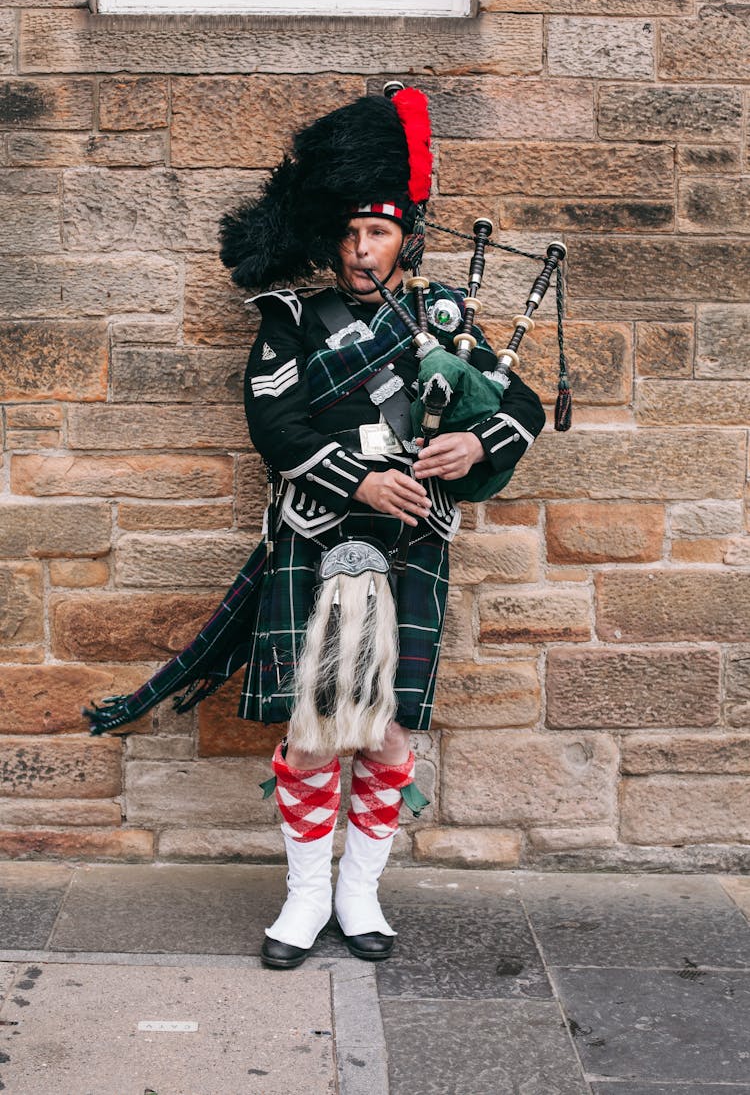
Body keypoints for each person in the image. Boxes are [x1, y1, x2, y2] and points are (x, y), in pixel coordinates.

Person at [84, 84, 545, 971]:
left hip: (415, 548)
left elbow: (518, 404)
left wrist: (468, 442)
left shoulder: (446, 319)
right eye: (345, 233)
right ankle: (302, 897)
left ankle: (360, 891)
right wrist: (363, 483)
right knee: (307, 730)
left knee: (389, 730)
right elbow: (277, 428)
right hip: (316, 535)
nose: (357, 248)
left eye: (373, 231)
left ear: (406, 233)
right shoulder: (290, 322)